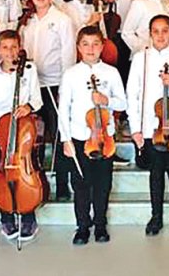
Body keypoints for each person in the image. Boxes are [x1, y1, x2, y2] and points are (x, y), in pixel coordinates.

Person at [58, 25, 127, 245]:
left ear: (102, 46)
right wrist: (65, 139)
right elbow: (64, 108)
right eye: (86, 44)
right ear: (78, 47)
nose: (91, 48)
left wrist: (106, 101)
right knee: (80, 184)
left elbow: (123, 102)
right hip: (79, 137)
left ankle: (100, 224)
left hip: (104, 139)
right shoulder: (70, 74)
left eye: (96, 44)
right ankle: (82, 227)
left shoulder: (111, 72)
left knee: (102, 184)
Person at [127, 15, 169, 236]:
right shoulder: (140, 58)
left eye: (165, 31)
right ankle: (156, 216)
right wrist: (135, 128)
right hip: (150, 125)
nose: (160, 35)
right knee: (155, 172)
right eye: (156, 31)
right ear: (150, 33)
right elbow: (133, 94)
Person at [0, 30, 44, 242]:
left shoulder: (30, 69)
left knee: (25, 173)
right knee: (3, 176)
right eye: (5, 47)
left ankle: (27, 214)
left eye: (14, 47)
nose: (10, 52)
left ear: (20, 47)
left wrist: (28, 106)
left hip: (23, 131)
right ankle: (6, 215)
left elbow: (38, 99)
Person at [19, 0, 77, 201]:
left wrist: (65, 86)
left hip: (54, 85)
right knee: (33, 138)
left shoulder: (62, 20)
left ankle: (62, 184)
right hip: (32, 87)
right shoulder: (27, 22)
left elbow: (68, 55)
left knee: (59, 135)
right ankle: (36, 185)